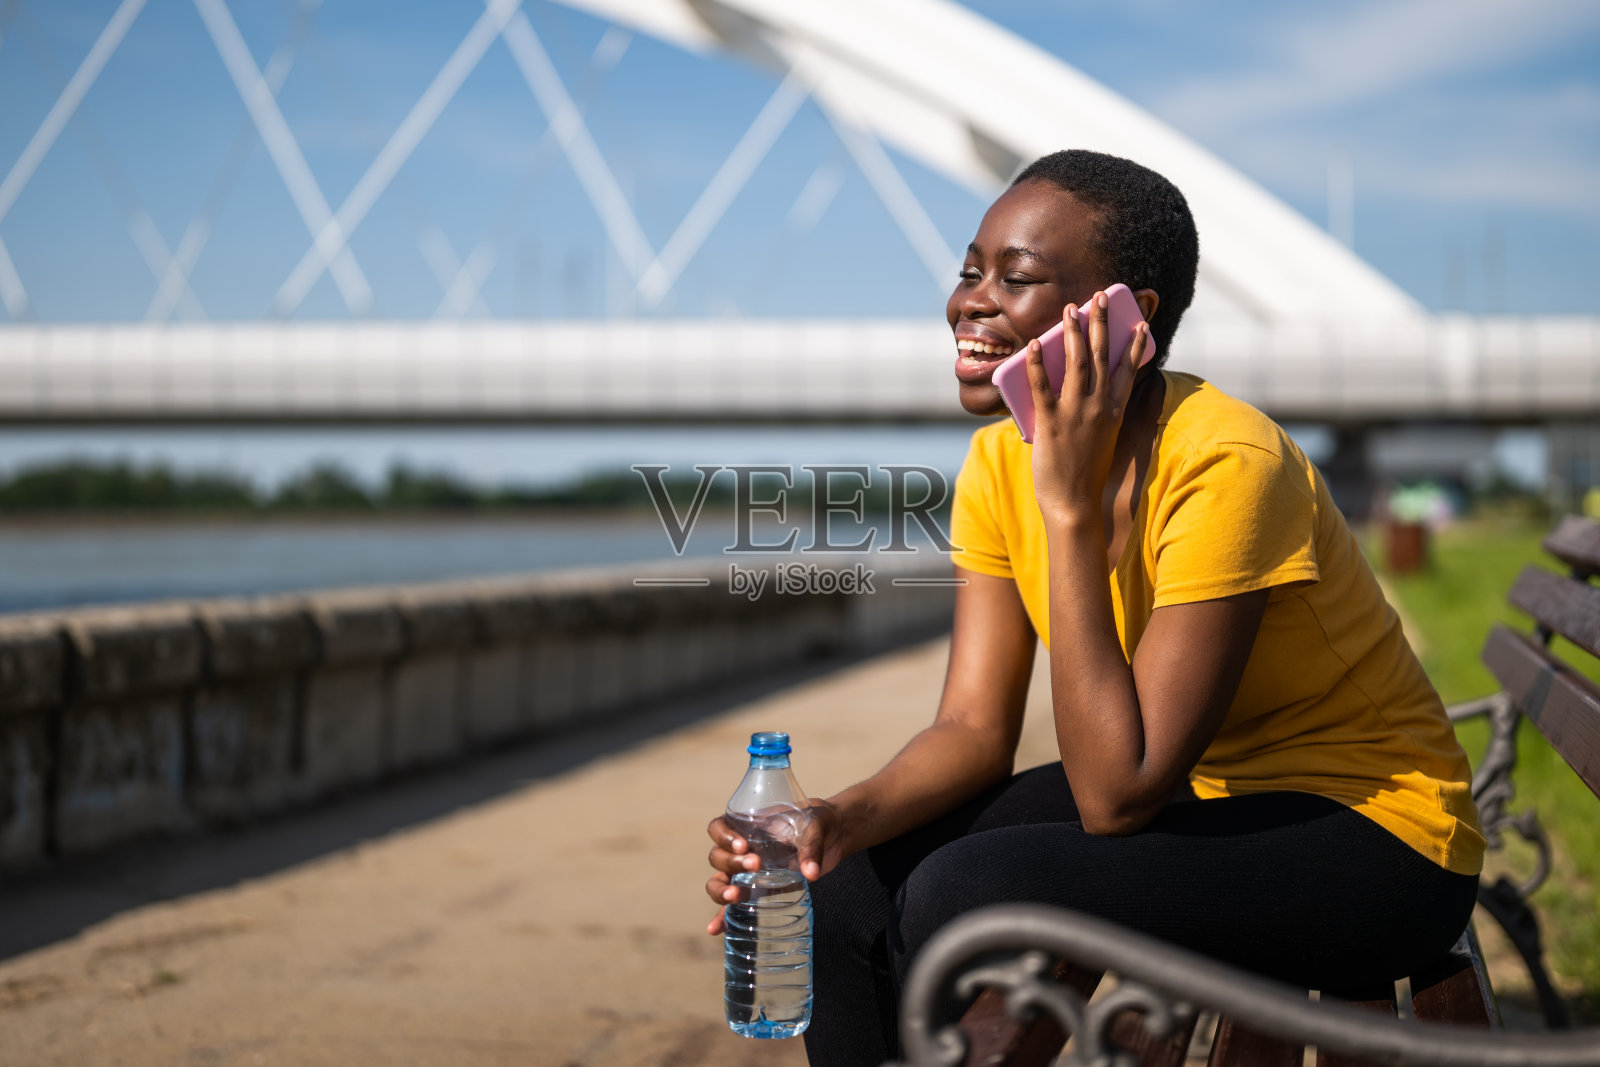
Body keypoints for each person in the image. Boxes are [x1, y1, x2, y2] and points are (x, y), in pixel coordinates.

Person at [703, 149, 1484, 1066]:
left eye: (1018, 277)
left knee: (966, 882)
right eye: (969, 272)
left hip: (1379, 845)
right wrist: (839, 814)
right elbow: (970, 726)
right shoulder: (998, 464)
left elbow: (1117, 791)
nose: (970, 302)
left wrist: (1068, 507)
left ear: (1129, 319)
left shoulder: (1227, 462)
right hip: (1206, 802)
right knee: (840, 884)